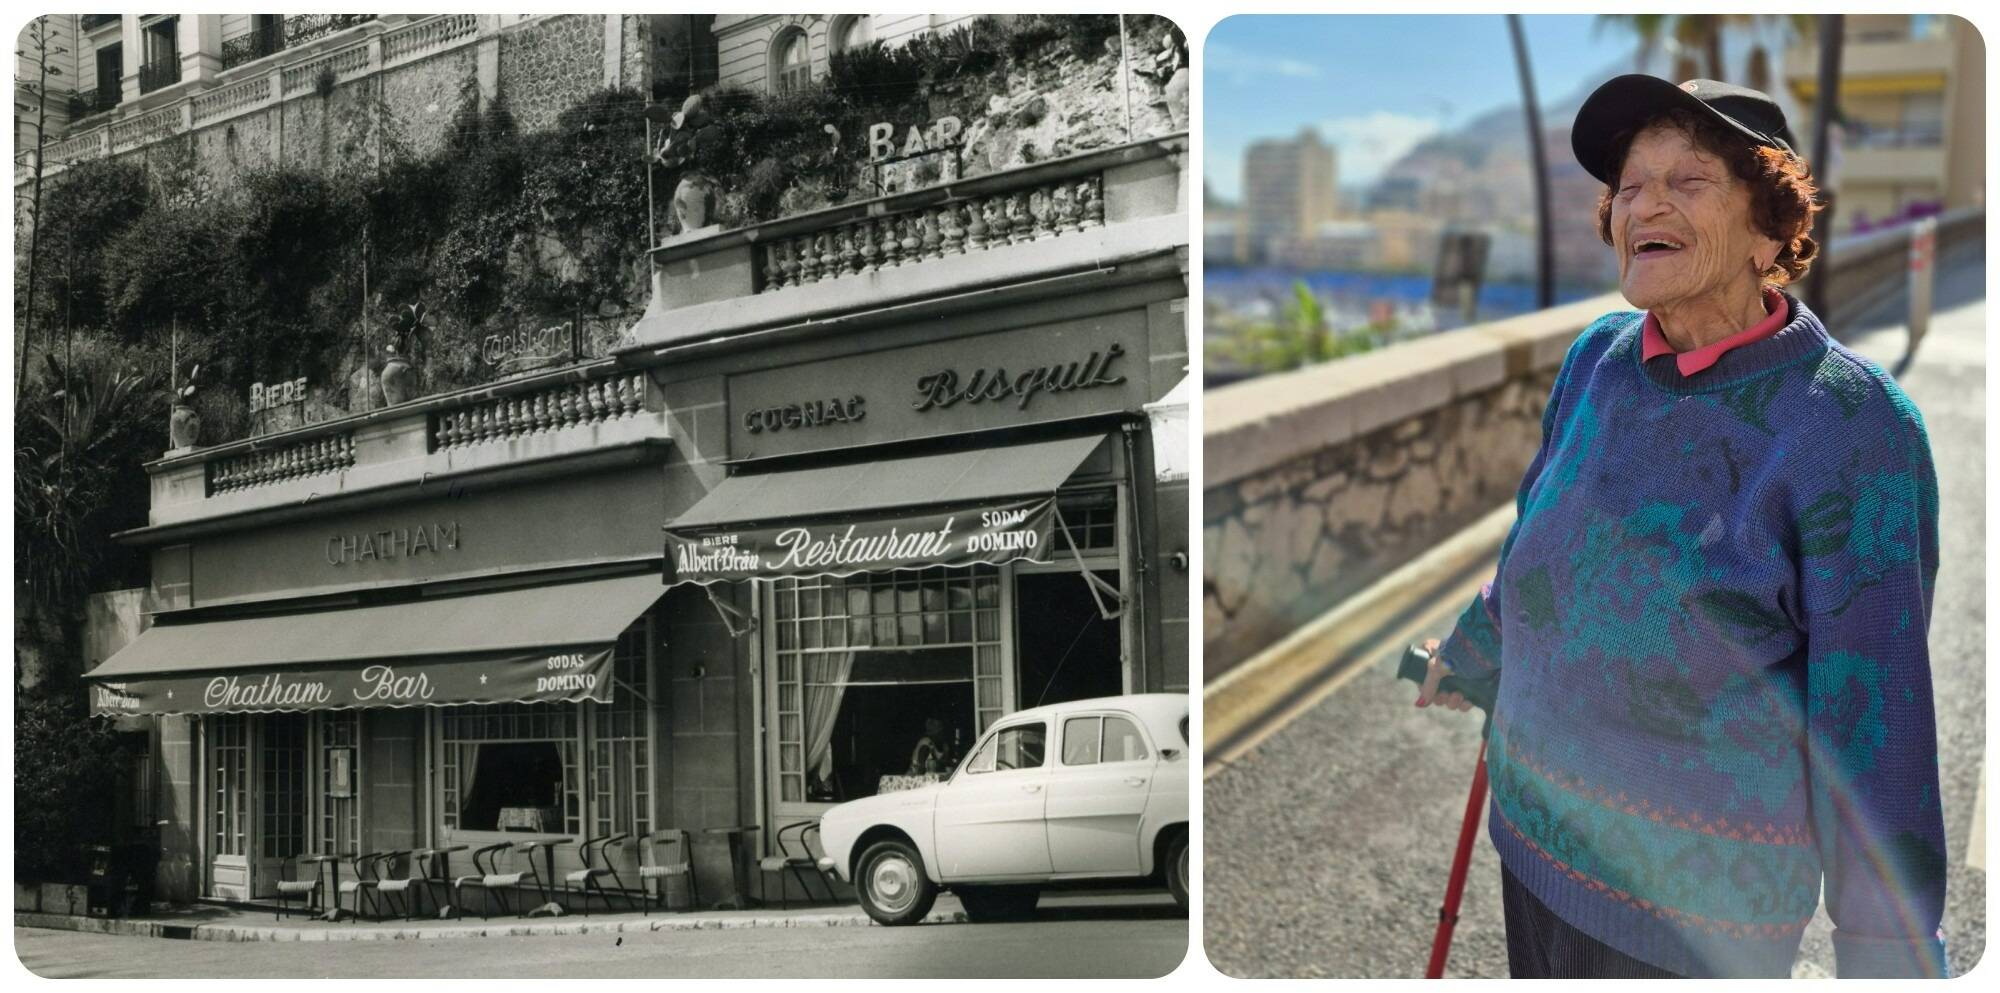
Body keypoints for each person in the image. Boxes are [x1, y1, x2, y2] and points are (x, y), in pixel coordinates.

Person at [1415, 76, 1946, 979]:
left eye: (1688, 181)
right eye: (1629, 185)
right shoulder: (1597, 359)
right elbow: (1540, 544)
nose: (1644, 205)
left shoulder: (1855, 427)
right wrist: (1472, 645)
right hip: (1532, 846)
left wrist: (1889, 955)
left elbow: (1875, 725)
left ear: (1770, 228)